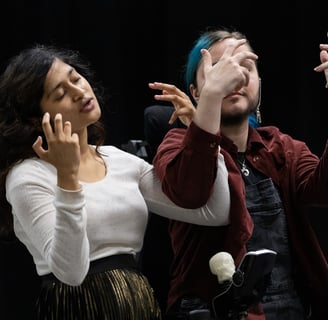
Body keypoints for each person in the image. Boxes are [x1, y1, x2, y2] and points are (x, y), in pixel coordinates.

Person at [0, 44, 232, 320]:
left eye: (75, 78)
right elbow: (72, 273)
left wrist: (204, 135)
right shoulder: (28, 176)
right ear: (38, 120)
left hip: (136, 302)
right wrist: (68, 179)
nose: (79, 92)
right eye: (60, 94)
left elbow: (213, 212)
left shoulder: (119, 160)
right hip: (75, 308)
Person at [149, 28, 328, 320]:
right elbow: (191, 191)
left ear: (259, 83)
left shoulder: (280, 147)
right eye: (219, 69)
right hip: (209, 310)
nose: (233, 77)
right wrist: (211, 98)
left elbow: (322, 190)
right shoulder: (176, 144)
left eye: (244, 67)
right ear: (195, 91)